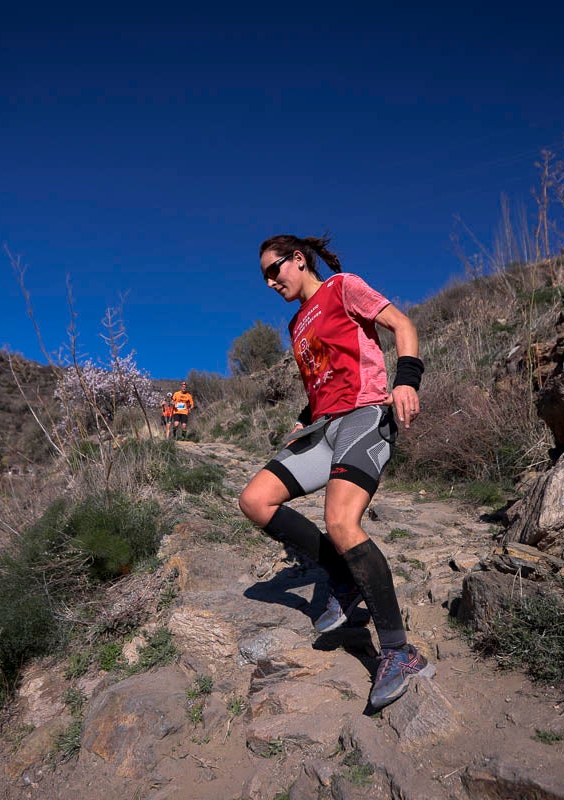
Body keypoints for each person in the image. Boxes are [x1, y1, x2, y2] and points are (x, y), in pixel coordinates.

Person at [237, 234, 434, 709]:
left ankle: (398, 652)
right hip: (322, 427)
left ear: (298, 260)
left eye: (274, 270)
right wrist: (304, 419)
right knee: (255, 500)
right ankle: (343, 581)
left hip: (364, 414)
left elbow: (401, 324)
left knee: (341, 522)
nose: (270, 282)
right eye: (264, 277)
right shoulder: (296, 324)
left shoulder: (343, 287)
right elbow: (324, 378)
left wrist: (406, 382)